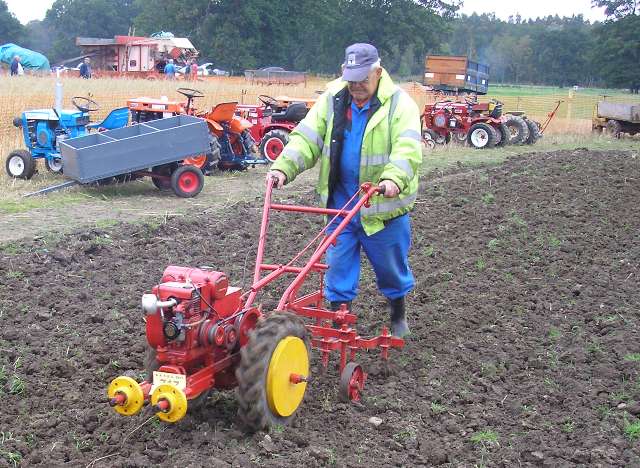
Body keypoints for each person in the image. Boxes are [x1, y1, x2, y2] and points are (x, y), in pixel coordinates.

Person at [266, 43, 422, 338]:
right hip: (340, 204)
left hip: (381, 206)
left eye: (363, 79)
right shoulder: (333, 98)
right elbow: (307, 138)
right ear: (343, 72)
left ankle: (398, 314)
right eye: (351, 79)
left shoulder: (400, 105)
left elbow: (407, 148)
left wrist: (393, 179)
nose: (356, 85)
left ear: (378, 72)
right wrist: (283, 167)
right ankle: (340, 323)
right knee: (337, 268)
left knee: (391, 268)